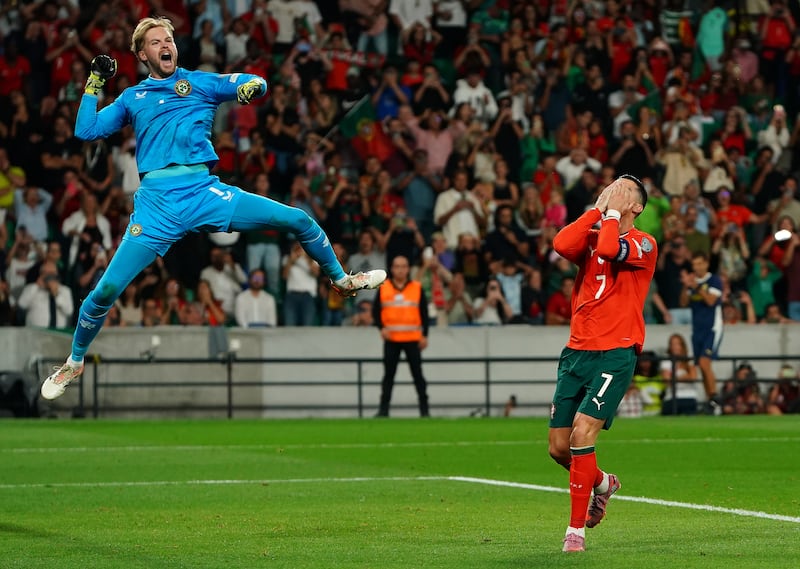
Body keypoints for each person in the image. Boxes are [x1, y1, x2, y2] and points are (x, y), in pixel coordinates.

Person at [41, 16, 386, 401]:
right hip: (157, 205)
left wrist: (252, 86)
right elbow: (86, 130)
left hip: (204, 191)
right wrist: (95, 83)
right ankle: (74, 362)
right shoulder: (133, 98)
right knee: (105, 289)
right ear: (142, 54)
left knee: (298, 218)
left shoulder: (199, 82)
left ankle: (341, 280)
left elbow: (249, 81)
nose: (165, 44)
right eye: (155, 42)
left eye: (168, 38)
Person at [547, 175, 657, 553]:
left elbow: (611, 248)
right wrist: (597, 209)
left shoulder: (643, 243)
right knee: (559, 448)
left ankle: (574, 532)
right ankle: (602, 483)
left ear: (637, 206)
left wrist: (609, 213)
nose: (615, 189)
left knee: (582, 432)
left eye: (624, 189)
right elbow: (561, 243)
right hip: (577, 351)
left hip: (616, 350)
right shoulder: (594, 235)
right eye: (612, 184)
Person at [372, 255, 430, 418]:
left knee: (418, 376)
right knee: (388, 376)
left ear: (408, 269)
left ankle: (424, 411)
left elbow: (424, 314)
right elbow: (376, 312)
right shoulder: (384, 288)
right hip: (392, 339)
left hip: (412, 339)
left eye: (403, 266)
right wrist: (381, 328)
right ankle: (383, 411)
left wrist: (425, 335)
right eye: (397, 266)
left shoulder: (417, 288)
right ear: (392, 269)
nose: (400, 270)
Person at [679, 251, 724, 414]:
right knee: (701, 366)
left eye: (699, 264)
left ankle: (714, 397)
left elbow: (711, 301)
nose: (696, 268)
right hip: (697, 329)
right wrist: (686, 286)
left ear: (706, 264)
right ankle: (710, 401)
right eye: (694, 265)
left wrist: (696, 287)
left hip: (712, 327)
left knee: (705, 363)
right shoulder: (692, 283)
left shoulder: (714, 280)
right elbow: (683, 303)